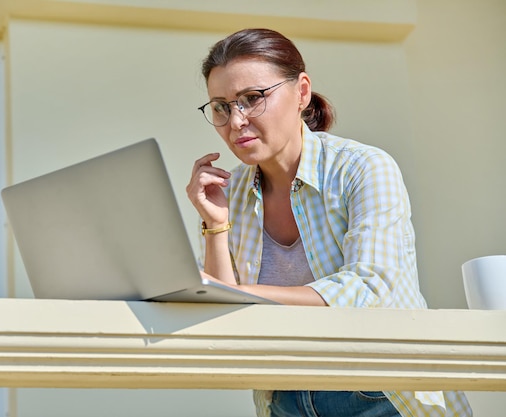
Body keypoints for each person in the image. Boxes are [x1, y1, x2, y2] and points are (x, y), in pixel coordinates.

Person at [186, 28, 471, 417]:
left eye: (252, 99)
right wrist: (215, 225)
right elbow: (223, 316)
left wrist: (235, 294)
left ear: (301, 92)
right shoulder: (232, 193)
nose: (235, 121)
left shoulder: (362, 168)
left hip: (382, 393)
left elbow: (367, 288)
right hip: (284, 399)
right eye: (220, 106)